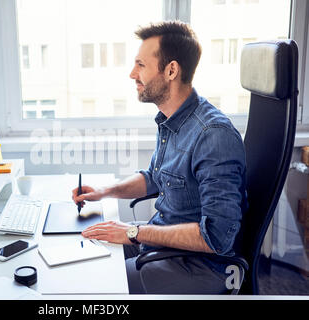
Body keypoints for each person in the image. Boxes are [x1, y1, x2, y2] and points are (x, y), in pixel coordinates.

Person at [72, 21, 247, 294]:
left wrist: (134, 232)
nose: (132, 74)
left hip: (201, 267)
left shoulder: (213, 136)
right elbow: (155, 177)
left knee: (94, 285)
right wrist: (104, 192)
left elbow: (217, 236)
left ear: (171, 70)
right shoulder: (171, 120)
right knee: (85, 254)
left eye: (141, 65)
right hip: (165, 246)